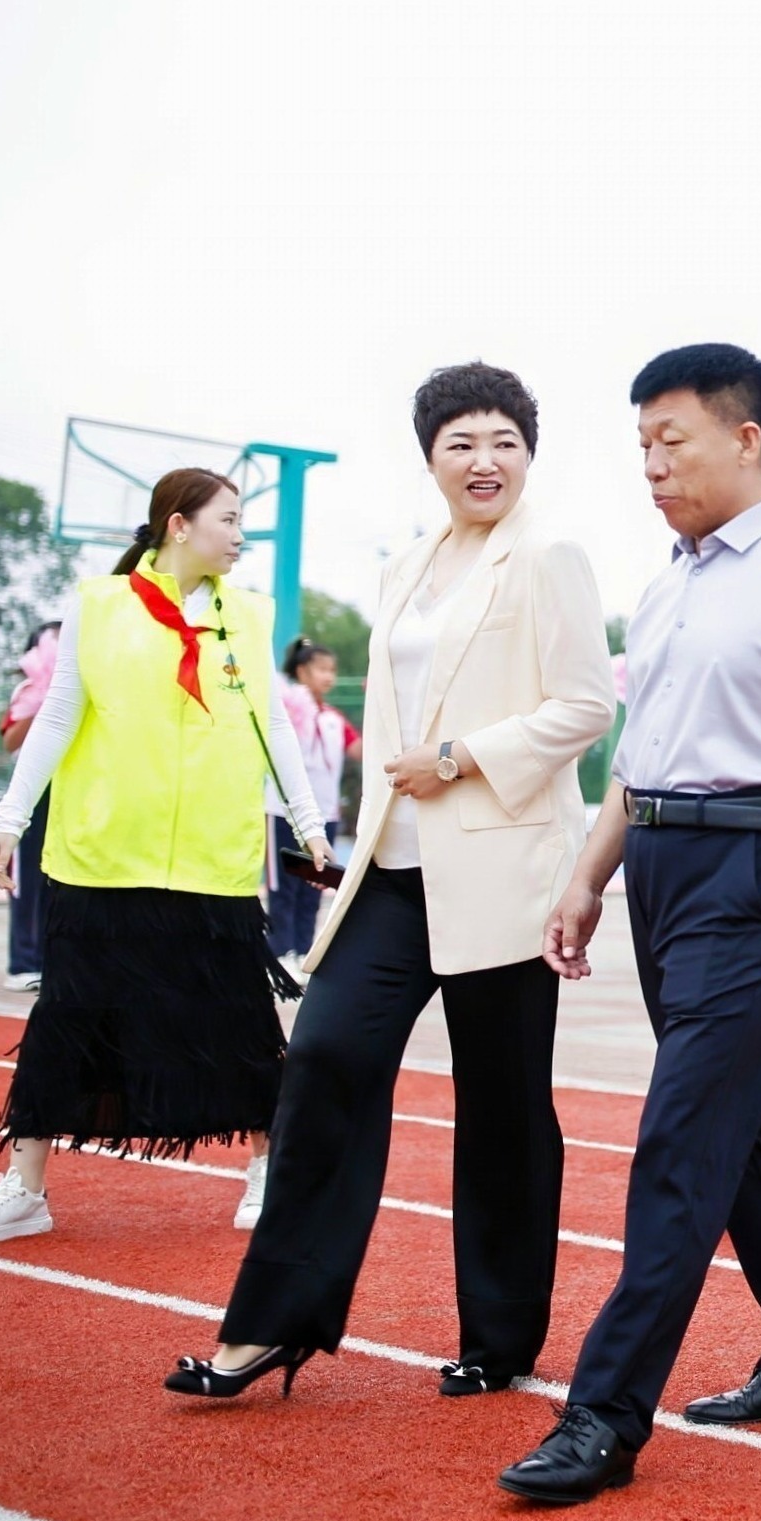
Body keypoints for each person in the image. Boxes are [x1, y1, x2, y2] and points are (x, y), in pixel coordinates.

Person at [499, 344, 761, 1506]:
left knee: (680, 1135)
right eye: (639, 445)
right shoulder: (669, 580)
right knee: (737, 1125)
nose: (652, 464)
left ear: (747, 439)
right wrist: (585, 878)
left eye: (671, 439)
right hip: (662, 865)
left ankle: (604, 1414)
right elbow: (642, 754)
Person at [170, 364, 615, 1403]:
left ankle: (499, 1338)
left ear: (528, 454)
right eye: (460, 441)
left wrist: (461, 756)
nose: (484, 459)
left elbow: (587, 706)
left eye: (503, 439)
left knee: (503, 1109)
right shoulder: (409, 566)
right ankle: (269, 1327)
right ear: (430, 457)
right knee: (321, 1060)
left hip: (503, 870)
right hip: (390, 868)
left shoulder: (550, 556)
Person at [0, 469, 330, 1248]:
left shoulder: (249, 617)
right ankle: (24, 1188)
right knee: (65, 1018)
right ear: (179, 524)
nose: (241, 535)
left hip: (210, 859)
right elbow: (58, 713)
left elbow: (275, 729)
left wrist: (310, 823)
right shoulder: (98, 604)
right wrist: (9, 817)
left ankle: (267, 1173)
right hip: (102, 853)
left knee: (244, 1022)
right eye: (229, 520)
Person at [264, 636, 357, 971]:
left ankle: (304, 953)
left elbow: (358, 749)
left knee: (315, 886)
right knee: (283, 888)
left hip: (326, 815)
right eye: (321, 669)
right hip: (283, 813)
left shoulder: (334, 718)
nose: (329, 676)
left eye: (332, 670)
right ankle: (279, 954)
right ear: (301, 671)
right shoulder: (286, 707)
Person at [0, 620, 60, 988]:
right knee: (26, 879)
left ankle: (54, 961)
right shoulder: (27, 690)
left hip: (70, 788)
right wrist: (45, 705)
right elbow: (9, 740)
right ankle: (23, 962)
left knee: (61, 879)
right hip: (33, 788)